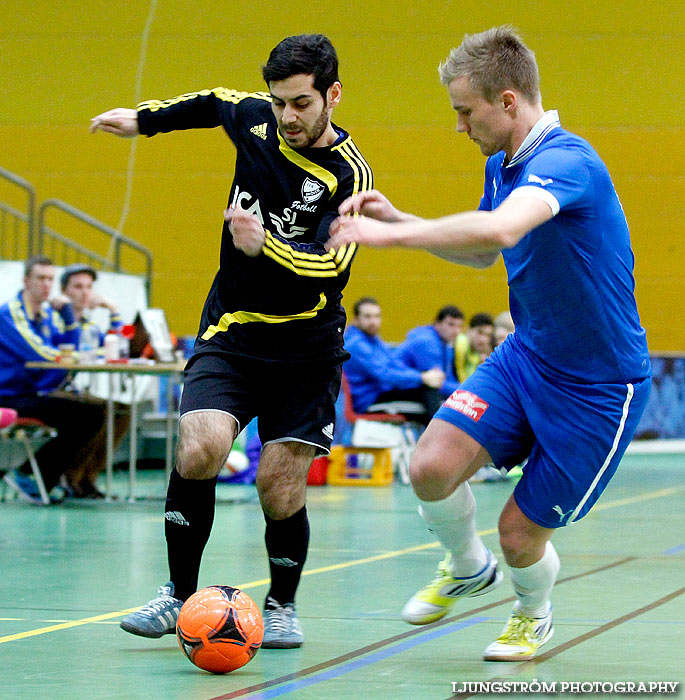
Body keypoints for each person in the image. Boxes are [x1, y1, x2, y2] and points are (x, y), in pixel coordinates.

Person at [327, 26, 651, 661]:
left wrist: (383, 238)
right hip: (527, 358)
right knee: (427, 468)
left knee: (518, 533)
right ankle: (466, 566)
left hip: (599, 389)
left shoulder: (566, 160)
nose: (458, 126)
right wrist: (406, 221)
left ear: (508, 102)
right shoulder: (502, 164)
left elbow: (503, 230)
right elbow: (483, 252)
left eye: (463, 112)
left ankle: (533, 611)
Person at [90, 34, 373, 647]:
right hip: (233, 331)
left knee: (278, 481)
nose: (288, 117)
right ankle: (177, 595)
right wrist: (144, 121)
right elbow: (216, 101)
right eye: (279, 103)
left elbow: (334, 265)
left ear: (333, 95)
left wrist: (264, 244)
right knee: (200, 448)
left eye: (301, 103)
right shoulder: (258, 121)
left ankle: (283, 604)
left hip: (306, 349)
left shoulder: (348, 174)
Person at [0, 256, 106, 503]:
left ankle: (40, 476)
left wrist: (69, 317)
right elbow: (41, 353)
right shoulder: (11, 313)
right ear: (26, 280)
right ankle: (31, 475)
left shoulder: (45, 315)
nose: (46, 285)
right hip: (9, 396)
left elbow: (67, 346)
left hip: (33, 393)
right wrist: (74, 357)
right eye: (40, 278)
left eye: (50, 279)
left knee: (95, 412)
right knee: (88, 416)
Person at [58, 263, 129, 498]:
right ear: (64, 291)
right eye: (77, 286)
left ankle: (89, 475)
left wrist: (114, 311)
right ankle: (71, 476)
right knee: (100, 410)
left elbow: (115, 347)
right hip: (53, 387)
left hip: (72, 388)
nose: (84, 292)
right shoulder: (55, 319)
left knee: (122, 410)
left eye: (89, 287)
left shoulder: (88, 324)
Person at [344, 297, 445, 425]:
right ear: (356, 319)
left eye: (377, 316)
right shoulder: (356, 345)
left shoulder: (374, 340)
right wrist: (422, 377)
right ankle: (438, 437)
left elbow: (395, 365)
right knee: (433, 406)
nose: (373, 321)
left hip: (384, 395)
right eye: (367, 317)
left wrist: (426, 376)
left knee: (431, 395)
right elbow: (385, 375)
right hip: (370, 402)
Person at [396, 305, 463, 399]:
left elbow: (448, 378)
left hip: (414, 387)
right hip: (394, 388)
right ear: (437, 323)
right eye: (451, 325)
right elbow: (437, 382)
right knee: (431, 391)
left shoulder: (447, 345)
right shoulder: (427, 343)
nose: (456, 331)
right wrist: (468, 392)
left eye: (459, 326)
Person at [454, 312, 494, 382]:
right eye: (480, 332)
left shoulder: (477, 356)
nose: (483, 340)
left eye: (488, 335)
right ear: (468, 329)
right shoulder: (461, 341)